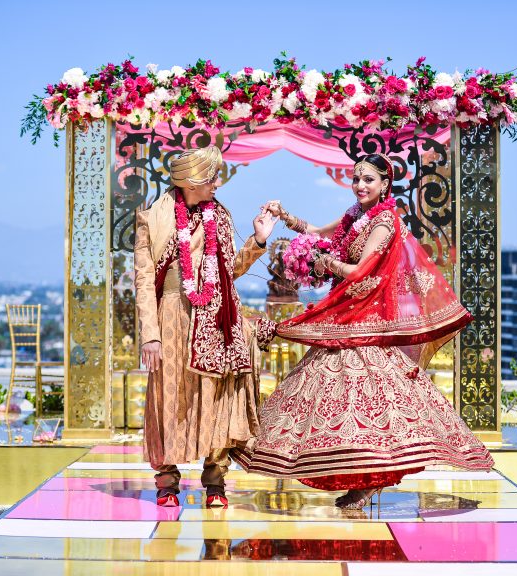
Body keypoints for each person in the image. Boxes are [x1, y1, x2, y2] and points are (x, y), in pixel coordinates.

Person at [235, 153, 494, 509]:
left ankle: (373, 477)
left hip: (365, 319)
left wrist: (323, 263)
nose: (360, 185)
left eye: (368, 180)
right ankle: (359, 478)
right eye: (356, 178)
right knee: (336, 398)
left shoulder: (384, 221)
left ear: (385, 185)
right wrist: (285, 218)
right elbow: (318, 232)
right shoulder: (356, 215)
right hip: (347, 314)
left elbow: (358, 273)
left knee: (371, 402)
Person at [134, 145, 277, 508]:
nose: (217, 183)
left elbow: (230, 269)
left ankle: (215, 480)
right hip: (171, 318)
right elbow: (143, 280)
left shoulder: (220, 216)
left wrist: (258, 240)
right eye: (212, 177)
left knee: (215, 396)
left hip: (214, 319)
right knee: (169, 396)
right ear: (192, 181)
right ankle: (166, 480)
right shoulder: (153, 218)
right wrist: (149, 334)